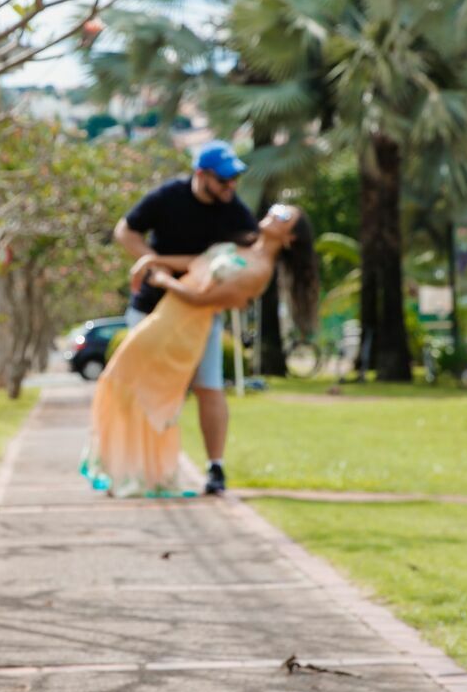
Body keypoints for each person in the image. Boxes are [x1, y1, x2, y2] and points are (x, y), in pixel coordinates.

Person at [83, 204, 318, 498]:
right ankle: (125, 470)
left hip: (182, 330)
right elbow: (196, 262)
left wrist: (162, 279)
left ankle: (138, 471)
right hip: (164, 317)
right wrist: (151, 260)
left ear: (291, 238)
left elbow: (201, 300)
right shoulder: (241, 245)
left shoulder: (260, 272)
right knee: (122, 384)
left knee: (134, 388)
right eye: (276, 209)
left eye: (283, 216)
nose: (273, 213)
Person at [114, 141, 258, 495]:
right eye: (224, 180)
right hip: (152, 307)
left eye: (234, 179)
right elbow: (125, 230)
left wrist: (162, 264)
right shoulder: (168, 197)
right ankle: (138, 465)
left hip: (201, 312)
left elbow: (249, 253)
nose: (231, 186)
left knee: (209, 386)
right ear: (201, 175)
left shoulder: (234, 212)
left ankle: (215, 468)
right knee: (142, 386)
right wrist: (150, 258)